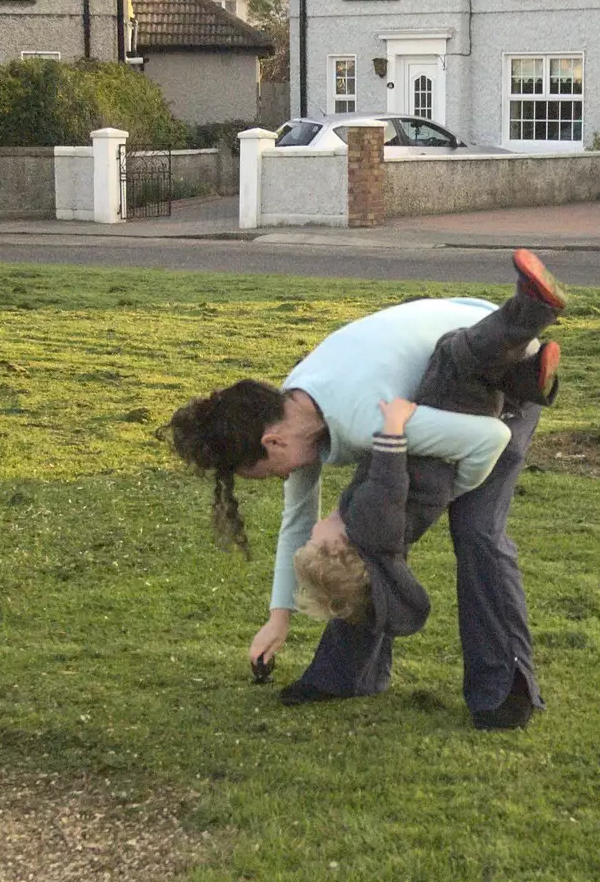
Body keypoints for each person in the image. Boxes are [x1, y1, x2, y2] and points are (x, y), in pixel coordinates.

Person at [163, 249, 566, 730]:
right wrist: (279, 618)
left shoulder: (364, 417)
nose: (280, 480)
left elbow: (487, 440)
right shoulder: (294, 403)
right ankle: (348, 674)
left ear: (272, 443)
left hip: (500, 369)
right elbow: (298, 524)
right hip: (435, 375)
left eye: (267, 473)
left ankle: (506, 692)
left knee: (476, 530)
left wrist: (451, 492)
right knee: (369, 530)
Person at [292, 277, 563, 648]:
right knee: (452, 356)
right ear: (335, 546)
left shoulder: (377, 541)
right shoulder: (367, 525)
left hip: (444, 462)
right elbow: (387, 481)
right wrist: (393, 425)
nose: (312, 531)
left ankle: (528, 379)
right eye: (313, 541)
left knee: (474, 374)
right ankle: (532, 310)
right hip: (435, 445)